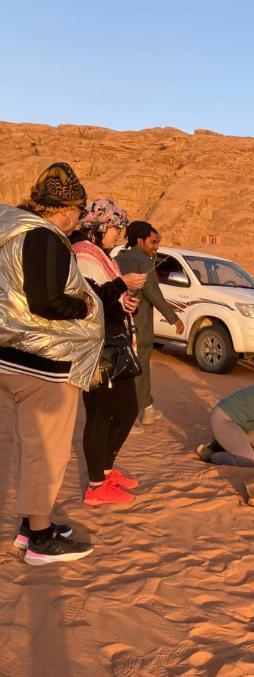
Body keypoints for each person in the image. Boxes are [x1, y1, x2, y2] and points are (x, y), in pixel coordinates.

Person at [0, 163, 103, 564]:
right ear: (66, 210)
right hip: (42, 361)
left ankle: (31, 528)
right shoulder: (44, 237)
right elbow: (46, 301)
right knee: (47, 448)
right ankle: (40, 540)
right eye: (78, 212)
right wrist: (84, 304)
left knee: (32, 444)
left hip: (12, 353)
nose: (78, 220)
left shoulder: (11, 230)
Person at [72, 200, 148, 506]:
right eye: (116, 228)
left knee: (127, 409)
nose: (119, 234)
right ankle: (95, 486)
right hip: (97, 347)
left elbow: (110, 297)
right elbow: (89, 301)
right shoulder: (82, 254)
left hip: (115, 343)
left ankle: (104, 470)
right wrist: (122, 284)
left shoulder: (101, 255)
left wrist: (128, 301)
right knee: (100, 414)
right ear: (100, 226)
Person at [116, 221, 184, 425]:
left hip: (119, 322)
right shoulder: (143, 261)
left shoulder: (118, 258)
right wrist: (174, 318)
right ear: (140, 241)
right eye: (153, 242)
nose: (156, 246)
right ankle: (141, 411)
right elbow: (153, 293)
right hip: (140, 324)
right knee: (140, 366)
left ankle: (142, 407)